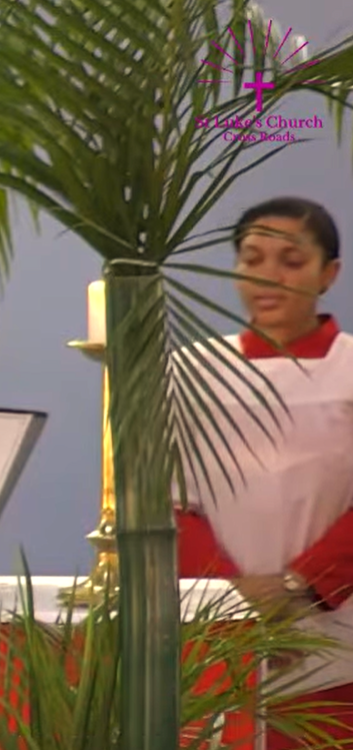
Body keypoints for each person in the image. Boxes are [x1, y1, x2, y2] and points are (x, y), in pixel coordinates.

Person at [174, 196, 353, 749]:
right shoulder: (191, 370)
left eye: (291, 261)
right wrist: (235, 599)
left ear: (329, 274)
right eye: (252, 259)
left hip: (334, 630)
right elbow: (170, 505)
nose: (268, 276)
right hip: (216, 629)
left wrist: (294, 590)